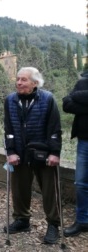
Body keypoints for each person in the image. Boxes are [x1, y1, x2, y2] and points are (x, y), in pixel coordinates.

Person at [4, 67, 62, 244]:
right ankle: (22, 220)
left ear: (35, 83)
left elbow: (55, 129)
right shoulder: (10, 100)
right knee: (19, 189)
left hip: (43, 153)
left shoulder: (47, 99)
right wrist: (11, 151)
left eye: (24, 80)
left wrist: (54, 152)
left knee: (50, 191)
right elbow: (9, 130)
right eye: (18, 79)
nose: (19, 83)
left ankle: (53, 225)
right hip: (20, 153)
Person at [62, 71, 88, 237]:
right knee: (81, 183)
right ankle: (83, 221)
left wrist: (81, 99)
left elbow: (73, 99)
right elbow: (66, 104)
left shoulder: (81, 88)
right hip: (84, 140)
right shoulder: (83, 82)